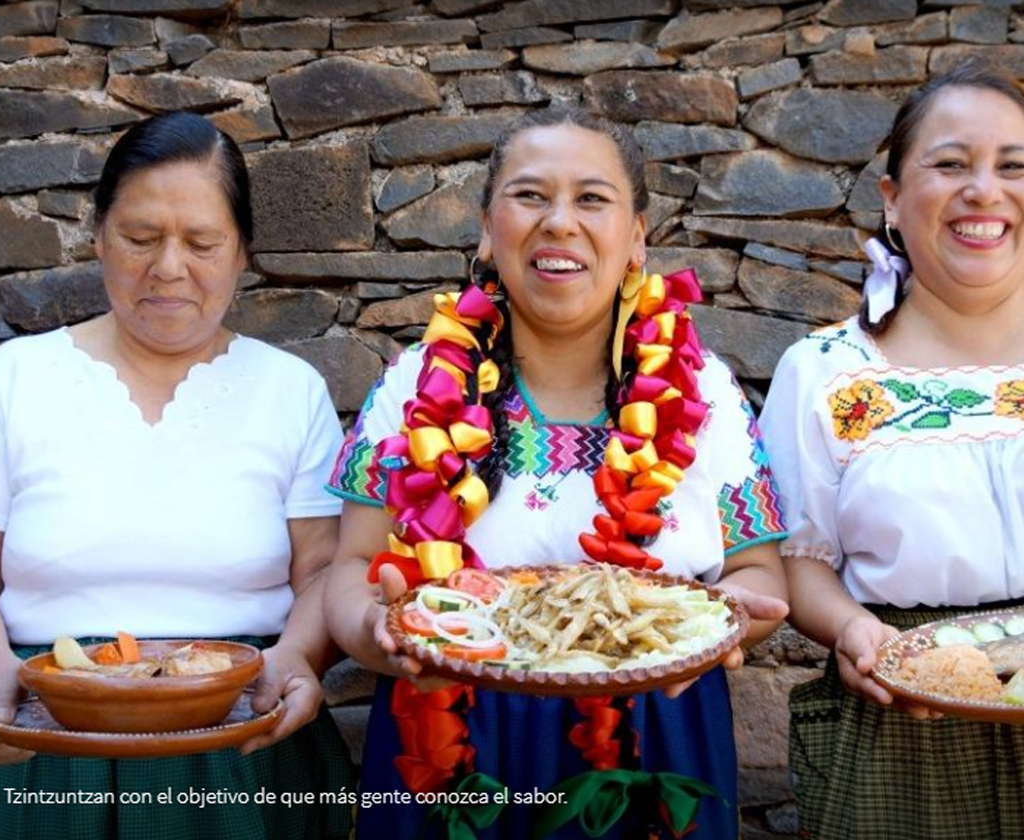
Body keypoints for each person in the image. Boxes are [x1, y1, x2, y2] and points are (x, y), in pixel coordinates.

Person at [323, 105, 790, 839]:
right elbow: (352, 562)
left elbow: (758, 572)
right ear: (486, 225)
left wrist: (722, 624)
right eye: (530, 195)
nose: (559, 223)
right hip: (448, 735)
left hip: (655, 730)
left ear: (637, 238)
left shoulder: (706, 396)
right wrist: (373, 632)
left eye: (592, 199)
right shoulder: (416, 387)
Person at [0, 111, 352, 840]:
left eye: (202, 243)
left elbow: (324, 572)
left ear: (242, 251)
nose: (169, 268)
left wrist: (297, 658)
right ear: (97, 238)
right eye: (140, 238)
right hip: (55, 737)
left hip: (240, 735)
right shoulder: (19, 378)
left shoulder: (288, 388)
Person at [761, 64, 1024, 840]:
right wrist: (850, 629)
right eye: (950, 164)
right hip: (907, 720)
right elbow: (800, 561)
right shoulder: (827, 373)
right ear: (892, 200)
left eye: (1014, 166)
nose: (985, 190)